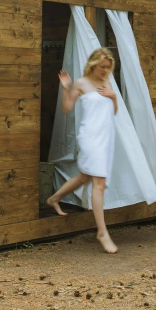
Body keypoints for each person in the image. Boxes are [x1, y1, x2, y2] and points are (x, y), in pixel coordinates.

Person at [46, 47, 119, 254]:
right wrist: (65, 88)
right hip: (89, 138)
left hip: (106, 138)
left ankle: (53, 199)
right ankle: (102, 232)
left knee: (83, 177)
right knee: (99, 183)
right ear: (93, 64)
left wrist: (113, 97)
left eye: (108, 67)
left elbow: (112, 112)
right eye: (102, 67)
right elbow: (67, 108)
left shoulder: (107, 83)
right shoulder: (81, 83)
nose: (105, 70)